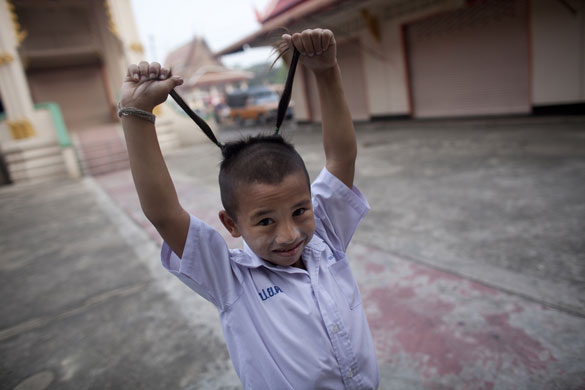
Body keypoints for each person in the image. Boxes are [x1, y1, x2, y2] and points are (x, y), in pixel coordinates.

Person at [119, 28, 379, 389]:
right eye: (265, 221)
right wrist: (136, 113)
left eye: (300, 211)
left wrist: (326, 70)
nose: (289, 235)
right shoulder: (230, 279)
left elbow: (341, 157)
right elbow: (164, 214)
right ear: (232, 224)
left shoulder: (326, 237)